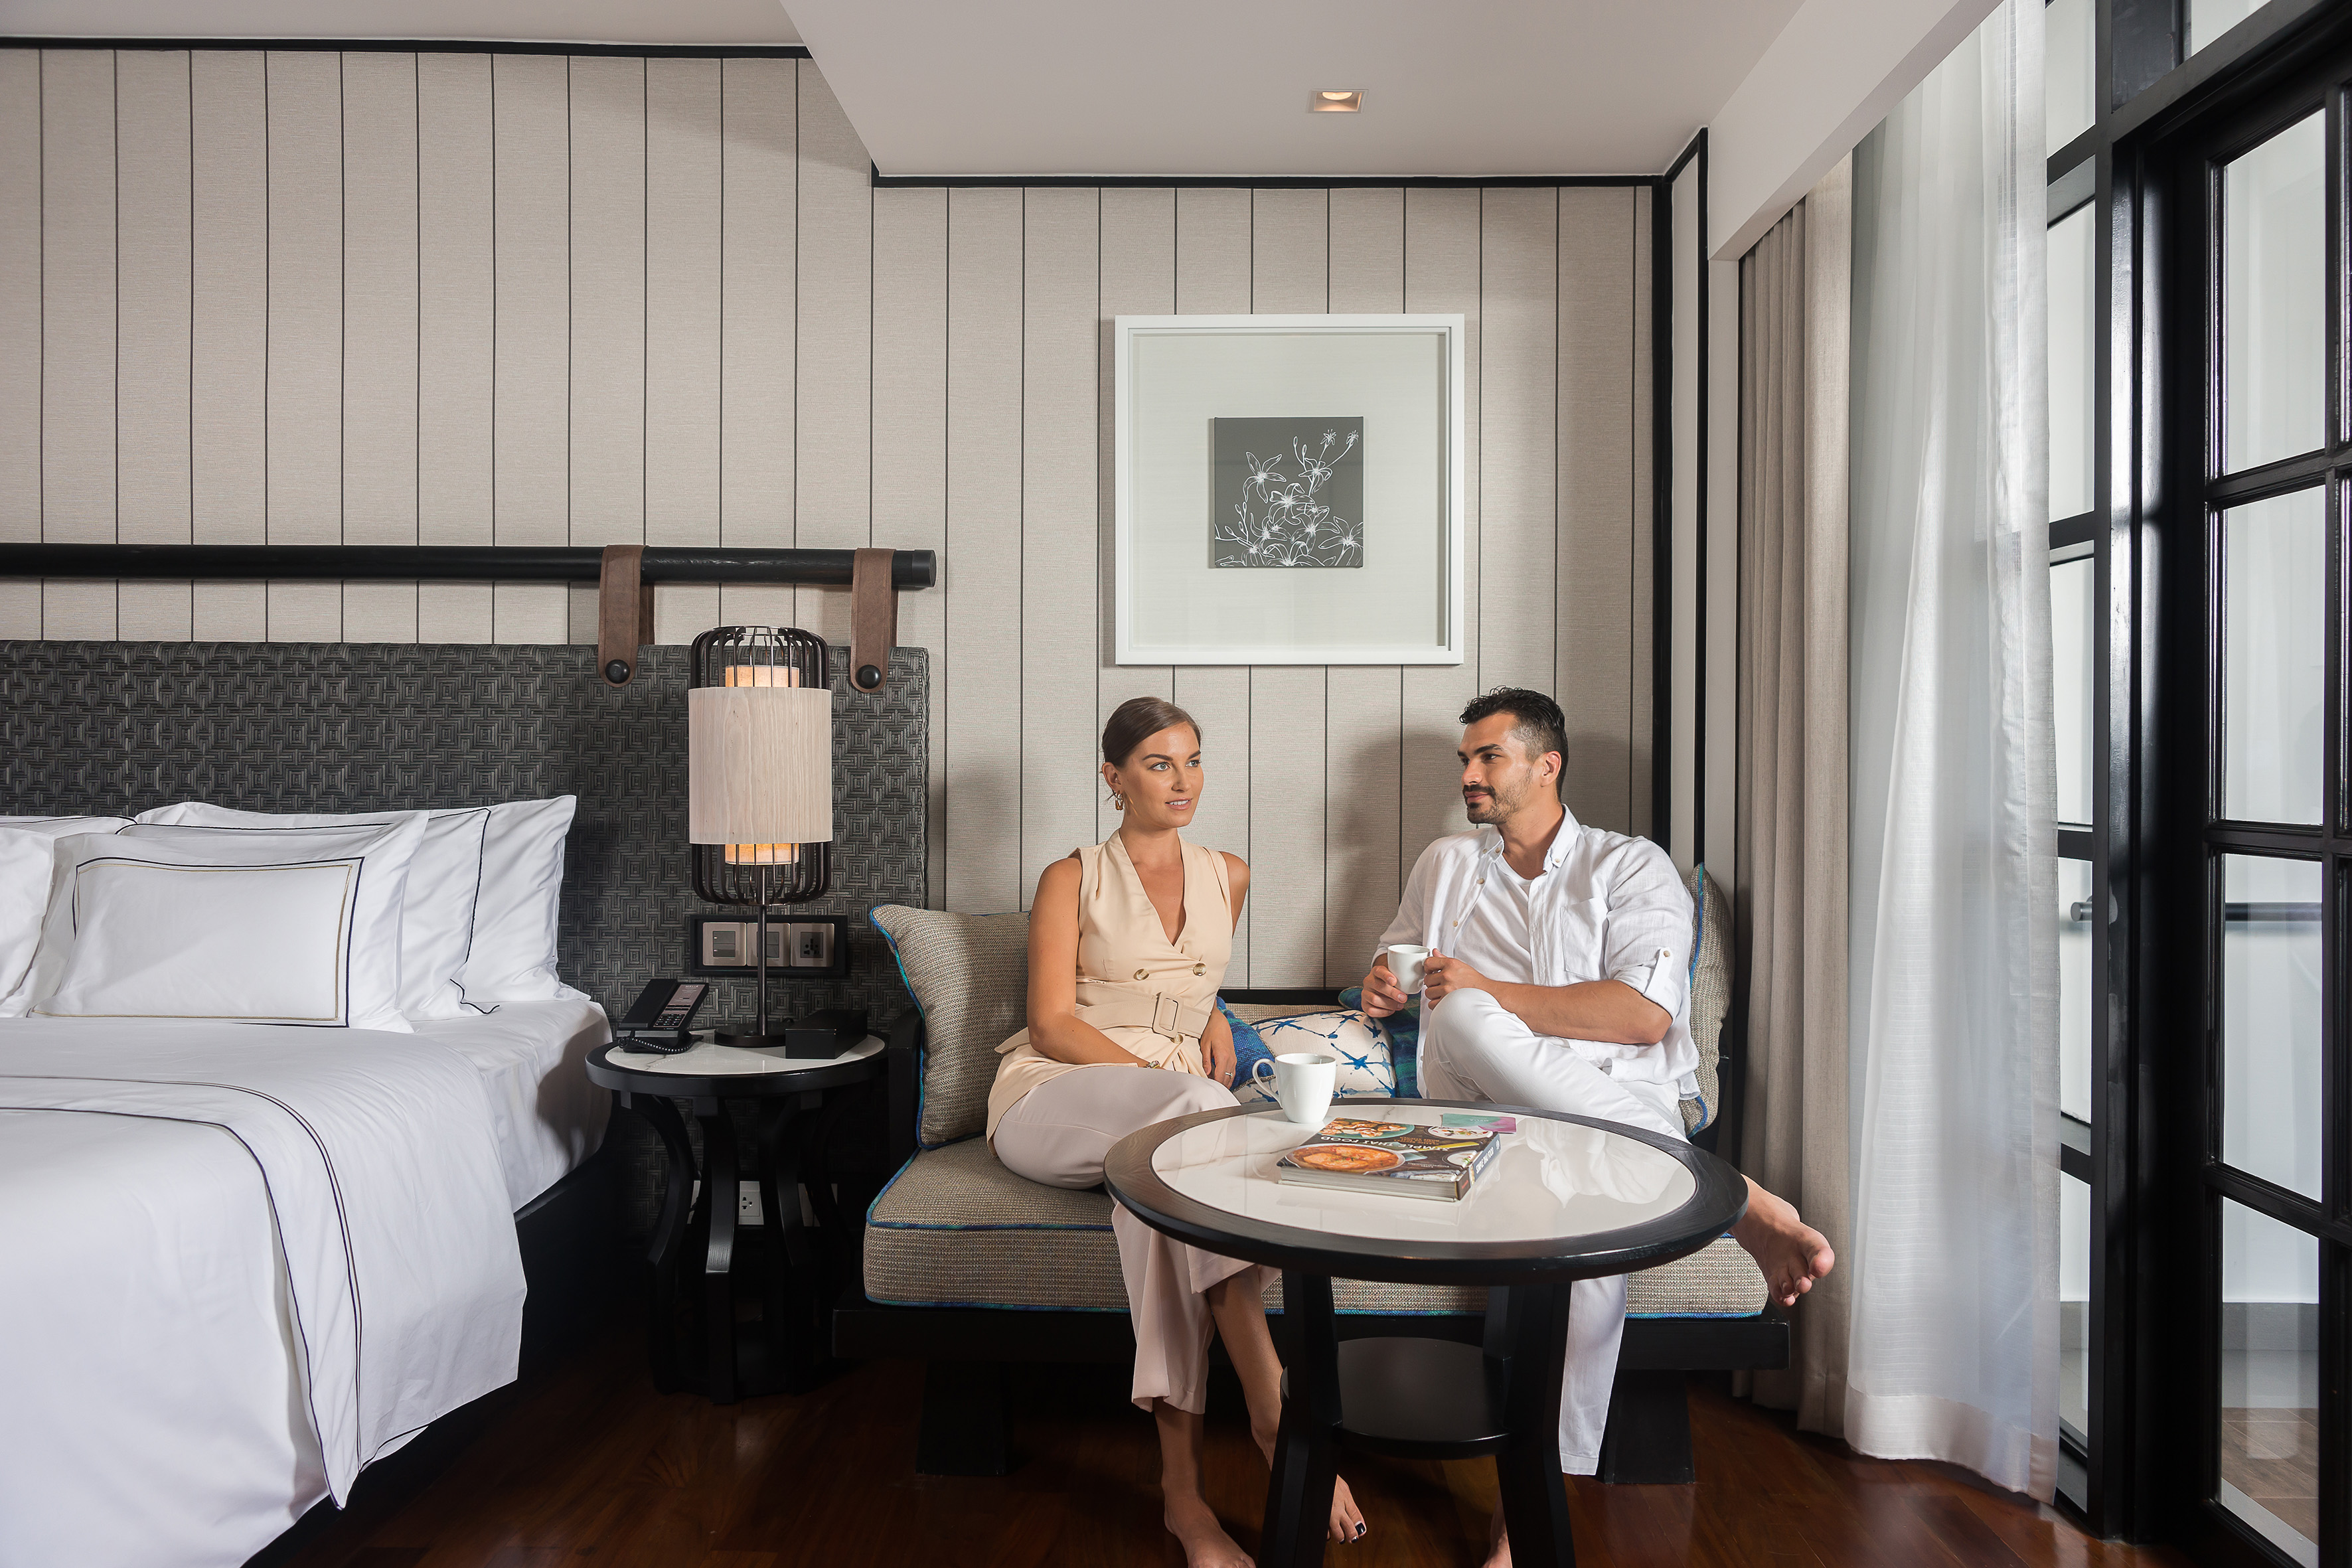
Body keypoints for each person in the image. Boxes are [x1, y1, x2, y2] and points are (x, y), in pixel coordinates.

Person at [1358, 687, 1834, 1568]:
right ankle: (1722, 1193)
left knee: (1584, 1242)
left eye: (1487, 757)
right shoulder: (1444, 866)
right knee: (1457, 1019)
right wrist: (1382, 989)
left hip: (1610, 1119)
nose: (1468, 774)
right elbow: (1393, 970)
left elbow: (1645, 1016)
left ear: (1548, 764)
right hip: (1483, 1112)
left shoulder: (1631, 868)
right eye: (1465, 759)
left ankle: (1523, 1508)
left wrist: (1487, 989)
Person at [989, 696, 1367, 1568]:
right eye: (1160, 763)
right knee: (1197, 1116)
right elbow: (1051, 1022)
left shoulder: (1229, 872)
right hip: (1058, 1092)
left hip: (1170, 1117)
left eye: (1193, 760)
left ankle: (1185, 1501)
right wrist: (1166, 1075)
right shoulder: (1069, 876)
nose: (1184, 779)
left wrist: (1216, 1017)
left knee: (1161, 1204)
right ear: (1113, 777)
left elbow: (1187, 986)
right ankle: (1277, 1415)